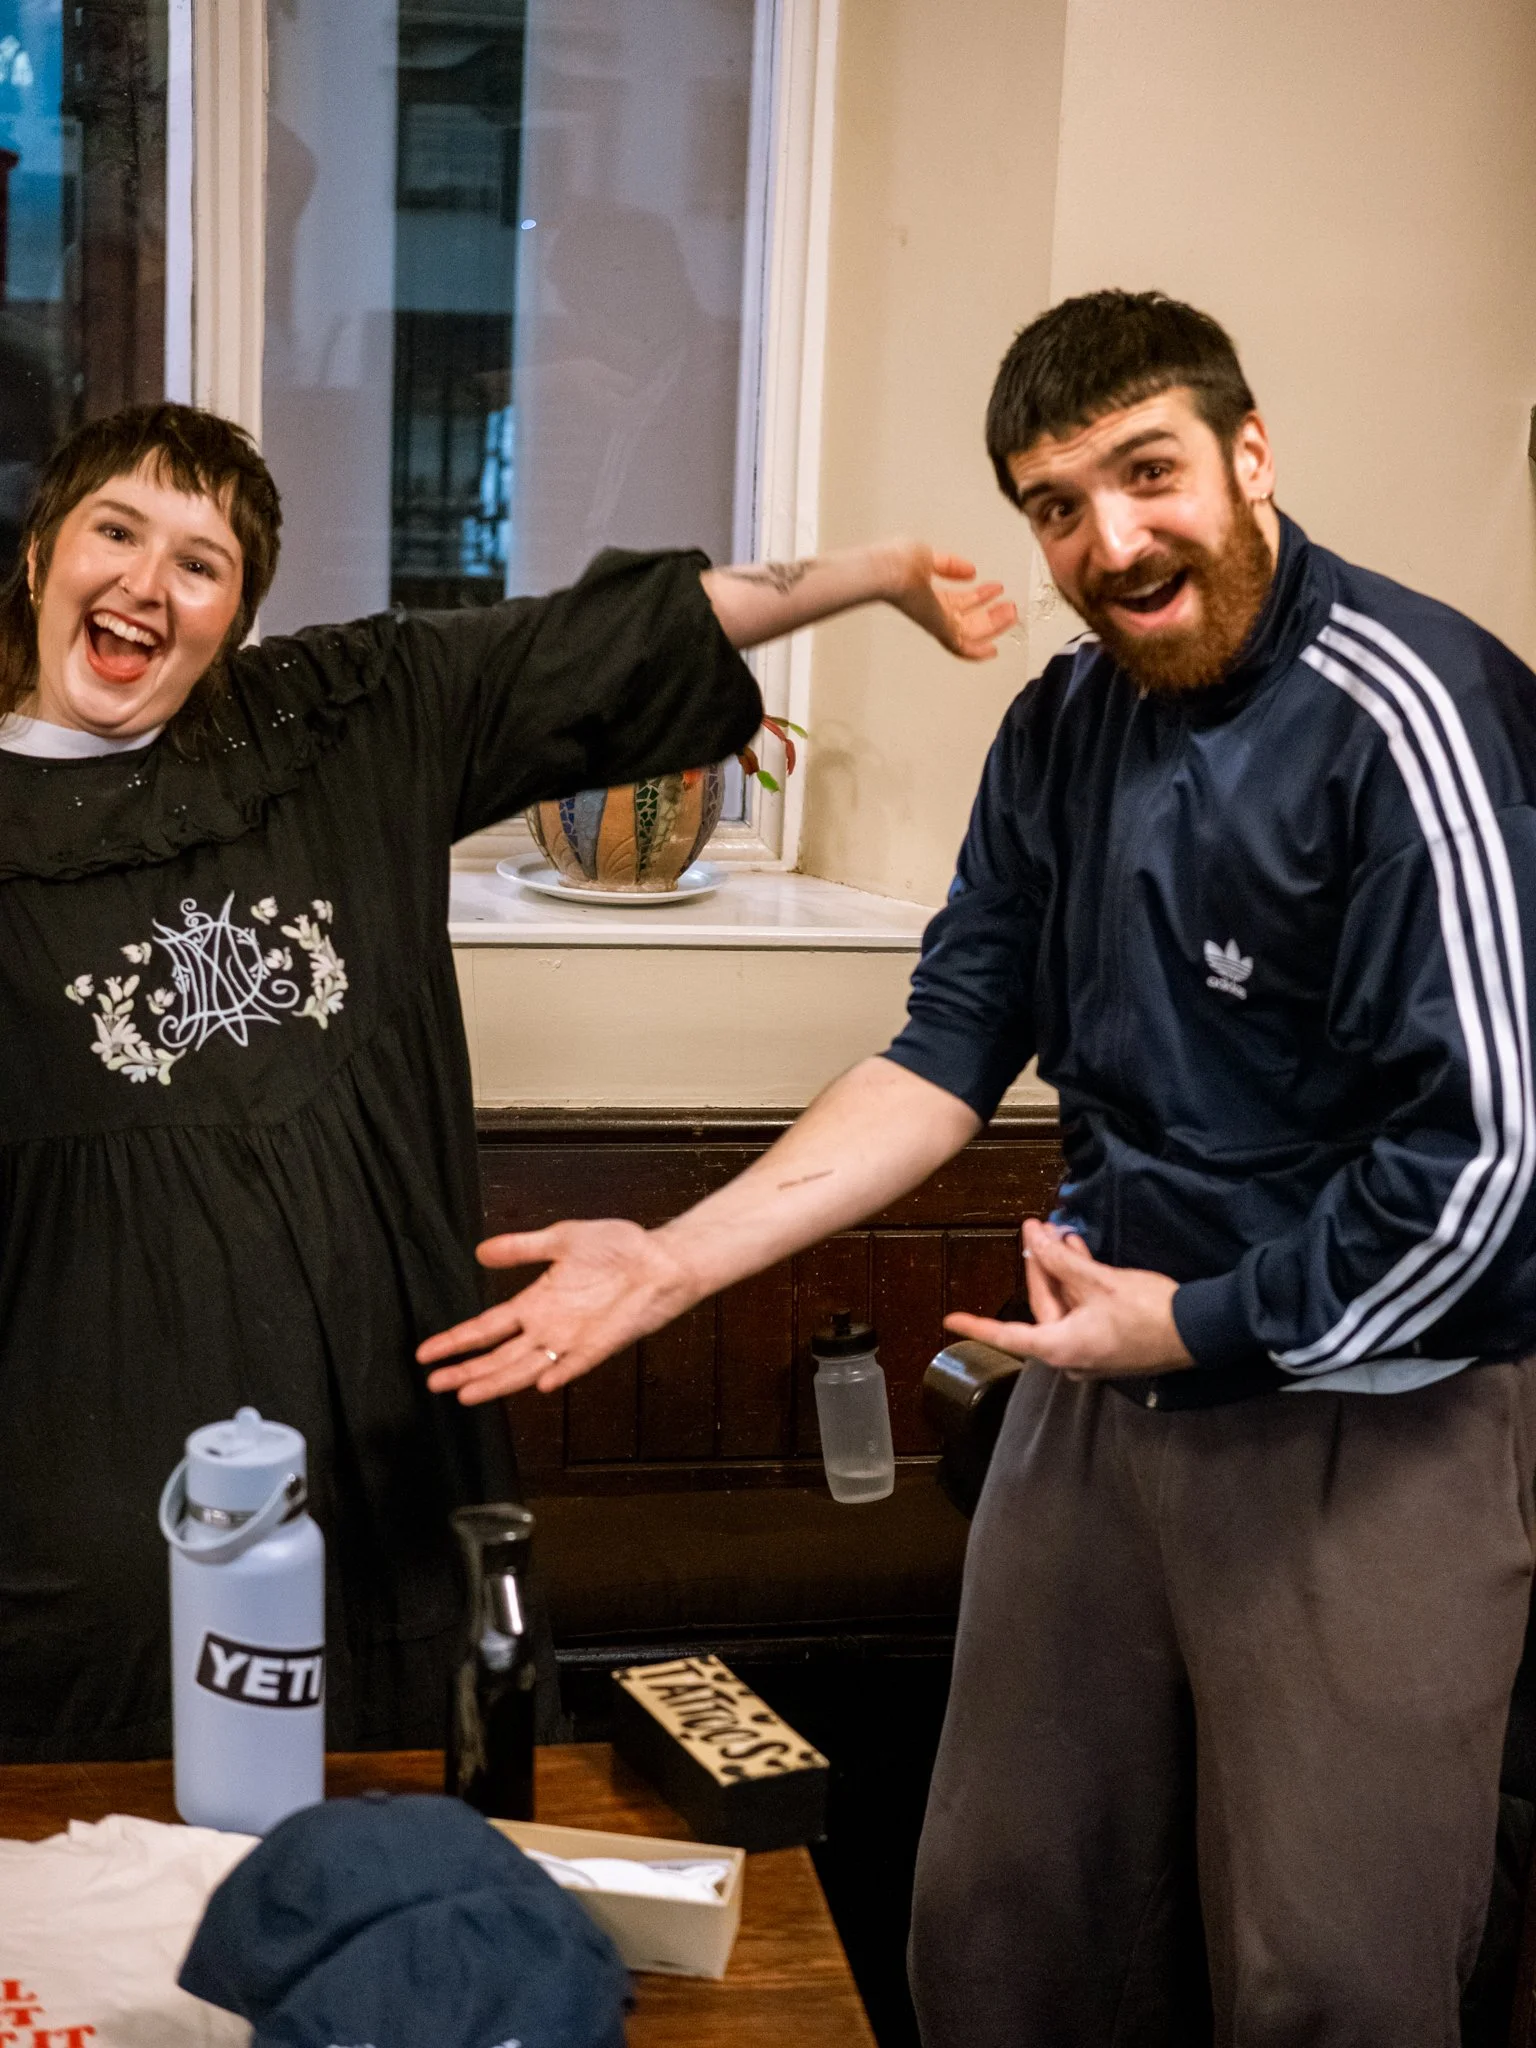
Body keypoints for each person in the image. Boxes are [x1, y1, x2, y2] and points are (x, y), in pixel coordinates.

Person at [420, 291, 1536, 2045]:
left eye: (1149, 472)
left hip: (1368, 1416)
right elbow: (943, 1054)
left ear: (1252, 457)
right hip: (1092, 1393)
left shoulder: (1415, 710)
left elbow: (1490, 1169)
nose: (1114, 539)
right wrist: (674, 1263)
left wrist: (1207, 1324)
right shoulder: (1063, 727)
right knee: (1003, 1927)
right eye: (1057, 504)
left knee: (1329, 1983)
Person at [0, 400, 1016, 1763]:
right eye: (115, 532)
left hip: (380, 1481)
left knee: (410, 1848)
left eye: (201, 561)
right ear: (39, 557)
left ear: (234, 619)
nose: (145, 582)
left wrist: (878, 573)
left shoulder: (339, 724)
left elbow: (590, 647)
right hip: (83, 1509)